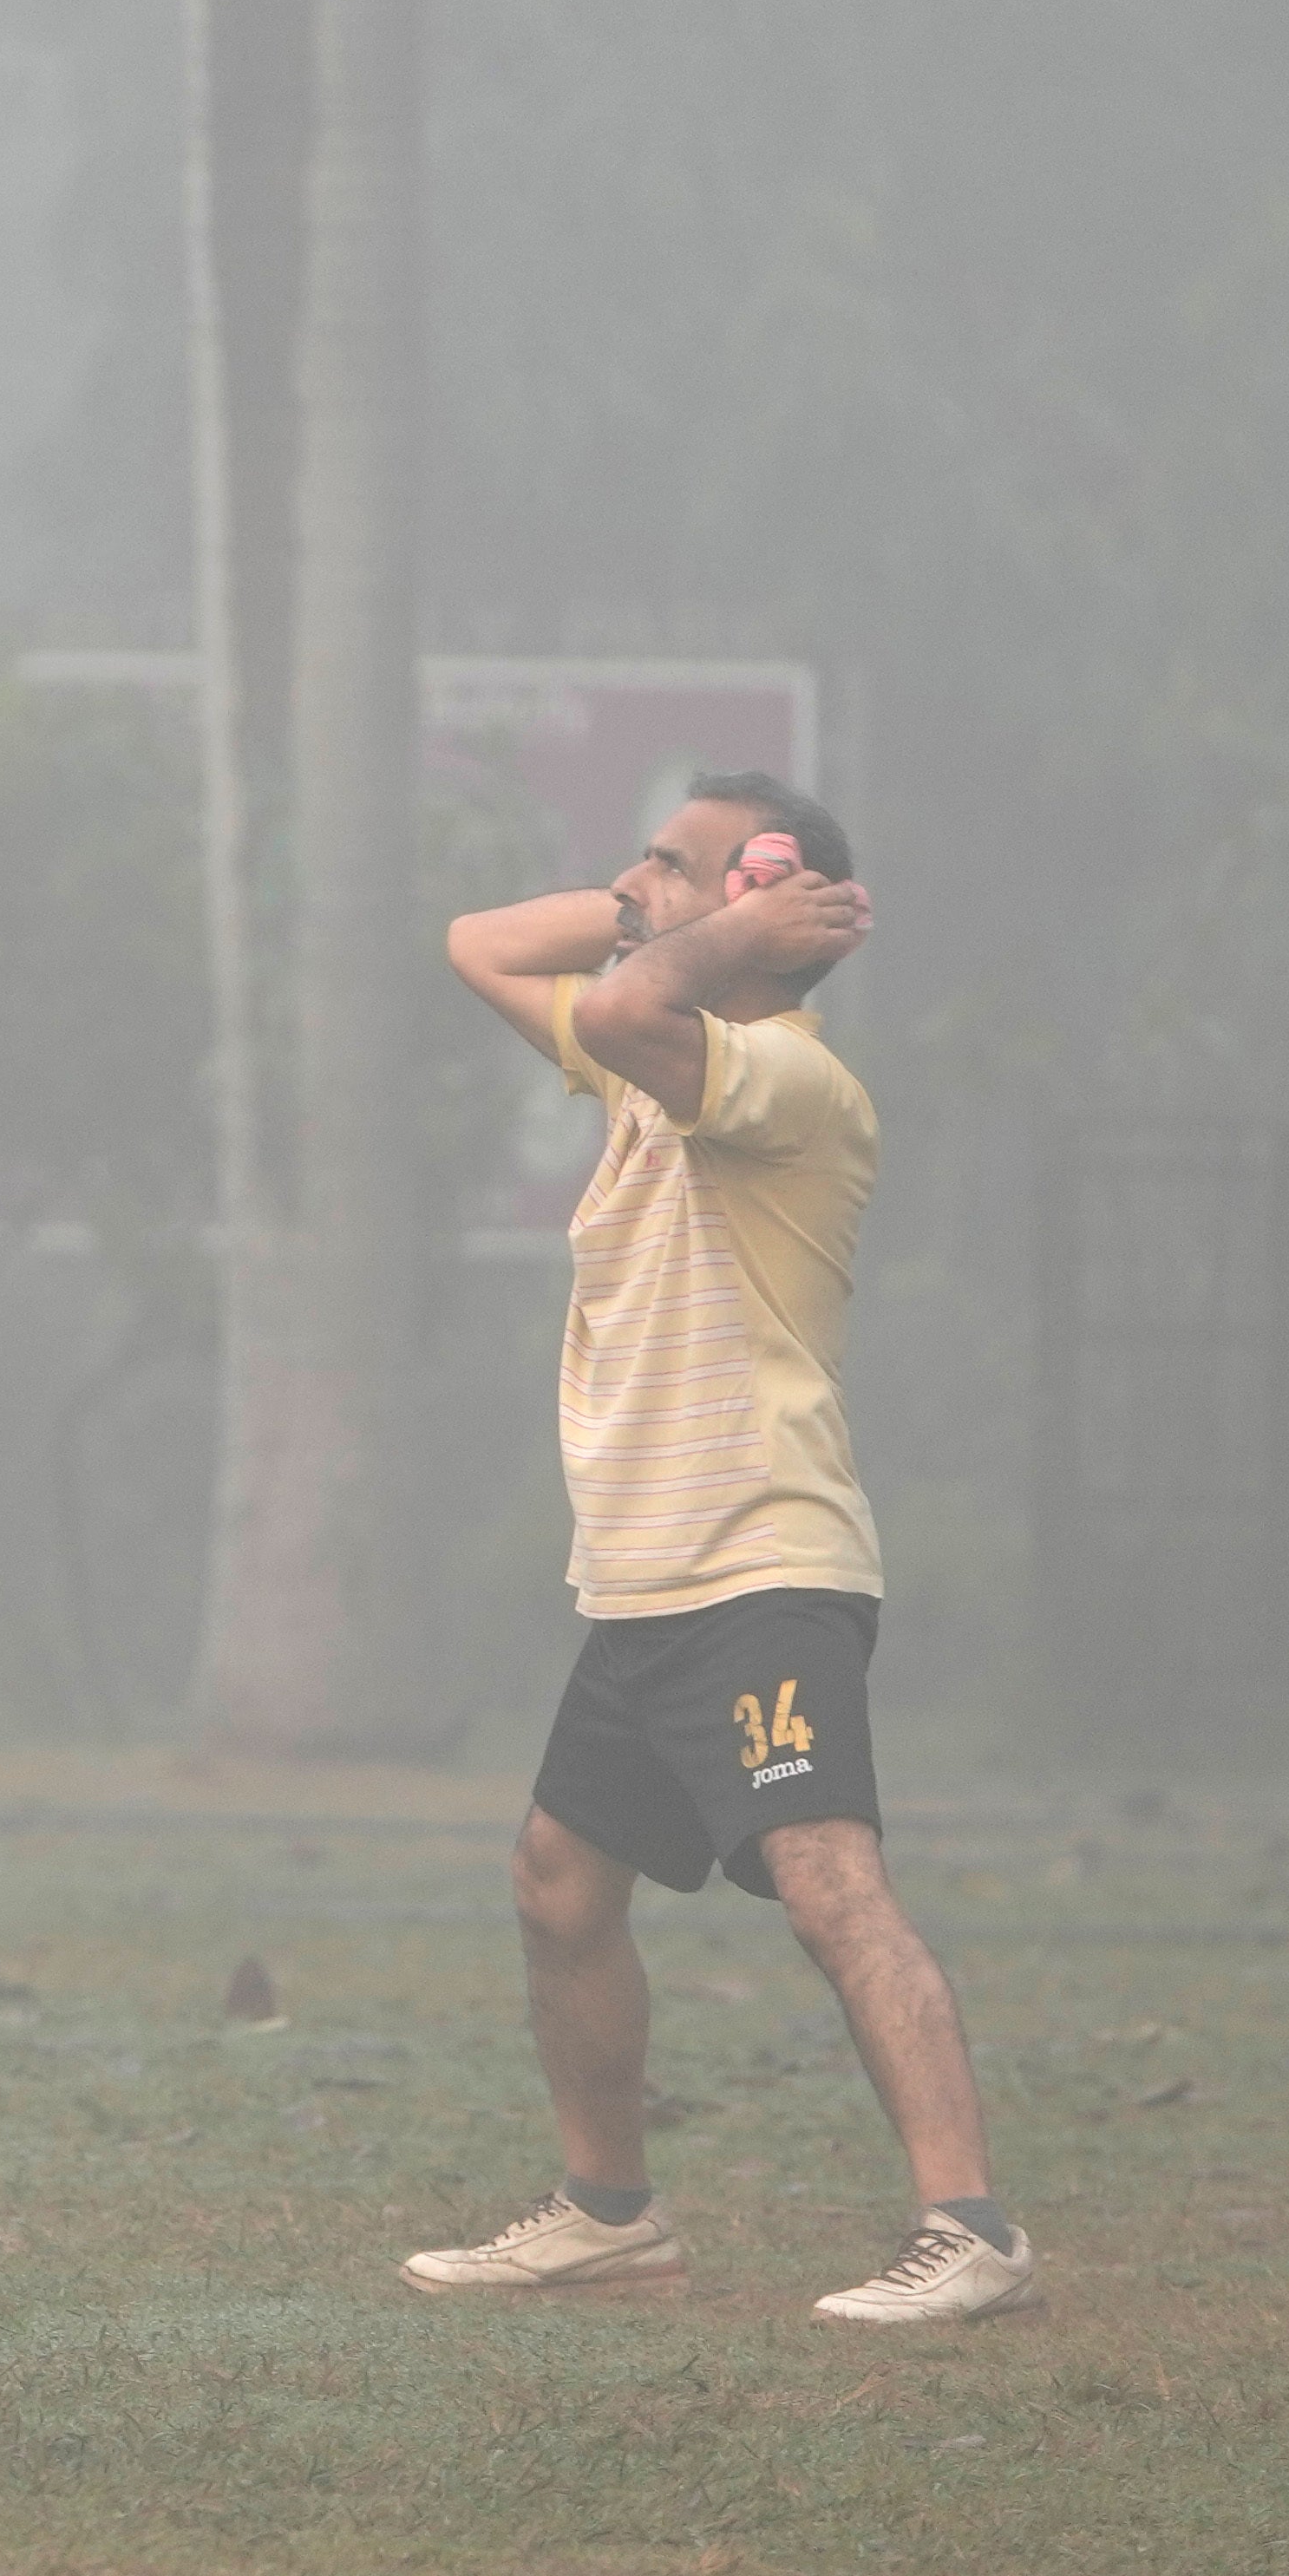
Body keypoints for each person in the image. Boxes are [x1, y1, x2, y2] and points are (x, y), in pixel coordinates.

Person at [399, 772, 1032, 2328]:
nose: (629, 884)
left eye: (669, 866)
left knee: (828, 1886)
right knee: (559, 1882)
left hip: (762, 1563)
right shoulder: (647, 1066)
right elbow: (479, 940)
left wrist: (719, 924)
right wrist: (665, 898)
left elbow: (621, 1012)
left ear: (763, 905)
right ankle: (609, 2211)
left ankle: (971, 2229)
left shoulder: (790, 1080)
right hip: (645, 1574)